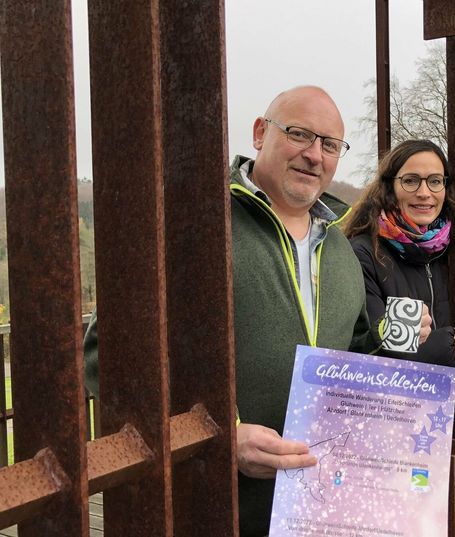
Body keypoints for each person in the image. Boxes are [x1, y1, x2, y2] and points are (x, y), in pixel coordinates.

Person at [84, 86, 431, 536]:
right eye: (300, 134)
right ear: (259, 133)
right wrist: (217, 434)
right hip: (209, 510)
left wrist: (393, 337)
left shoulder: (342, 248)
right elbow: (105, 354)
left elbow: (353, 353)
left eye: (330, 145)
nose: (314, 155)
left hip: (321, 512)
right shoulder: (191, 223)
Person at [344, 139, 455, 367]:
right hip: (395, 399)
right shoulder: (364, 253)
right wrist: (453, 345)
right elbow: (369, 350)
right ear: (390, 188)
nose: (424, 193)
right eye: (411, 181)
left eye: (435, 181)